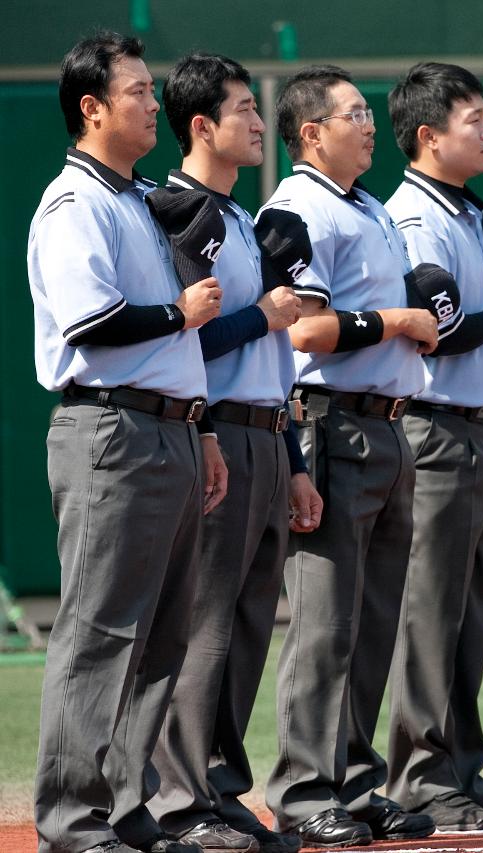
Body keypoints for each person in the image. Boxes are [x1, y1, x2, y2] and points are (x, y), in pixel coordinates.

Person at [29, 31, 228, 853]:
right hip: (110, 425)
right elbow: (95, 324)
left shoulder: (138, 197)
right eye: (139, 91)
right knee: (101, 628)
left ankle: (124, 804)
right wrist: (184, 313)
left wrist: (204, 430)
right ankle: (72, 818)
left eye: (152, 90)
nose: (155, 104)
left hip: (171, 428)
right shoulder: (74, 204)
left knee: (160, 634)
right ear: (92, 106)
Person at [144, 52, 323, 853]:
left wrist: (296, 462)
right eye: (245, 109)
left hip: (263, 432)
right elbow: (192, 335)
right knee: (203, 625)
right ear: (202, 125)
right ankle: (179, 799)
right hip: (207, 429)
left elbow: (272, 358)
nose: (259, 121)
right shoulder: (178, 210)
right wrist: (267, 314)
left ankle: (218, 787)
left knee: (248, 623)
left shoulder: (245, 220)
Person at [256, 64, 439, 848]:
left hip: (386, 425)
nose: (369, 124)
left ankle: (356, 781)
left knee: (372, 620)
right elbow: (305, 332)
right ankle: (302, 789)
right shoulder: (298, 206)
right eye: (354, 113)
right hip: (330, 423)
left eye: (369, 112)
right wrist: (397, 320)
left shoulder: (366, 205)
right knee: (325, 622)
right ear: (311, 133)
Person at [382, 60, 483, 832]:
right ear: (427, 135)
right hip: (434, 430)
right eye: (472, 118)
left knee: (472, 614)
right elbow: (437, 334)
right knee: (430, 612)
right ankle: (418, 775)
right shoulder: (412, 217)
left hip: (480, 428)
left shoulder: (470, 213)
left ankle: (460, 770)